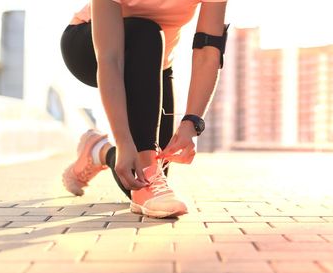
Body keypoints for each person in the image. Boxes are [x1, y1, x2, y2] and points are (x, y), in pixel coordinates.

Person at [60, 0, 228, 218]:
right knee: (146, 30)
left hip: (156, 65)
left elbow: (208, 52)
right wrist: (123, 139)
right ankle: (138, 162)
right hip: (89, 47)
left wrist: (191, 123)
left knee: (141, 179)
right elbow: (110, 59)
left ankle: (98, 150)